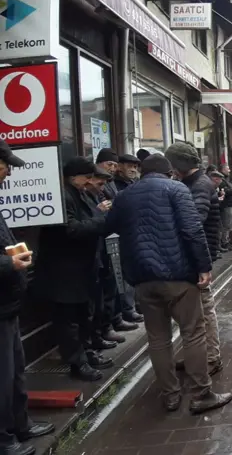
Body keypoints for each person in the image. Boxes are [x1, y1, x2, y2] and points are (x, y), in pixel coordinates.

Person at [106, 154, 232, 415]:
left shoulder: (125, 195)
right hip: (177, 274)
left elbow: (109, 226)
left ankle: (170, 395)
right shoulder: (176, 189)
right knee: (193, 332)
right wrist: (203, 266)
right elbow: (192, 229)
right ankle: (201, 394)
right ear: (169, 171)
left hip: (142, 278)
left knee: (158, 339)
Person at [35, 157, 113, 381]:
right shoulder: (62, 196)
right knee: (68, 319)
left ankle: (87, 353)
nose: (90, 181)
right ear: (72, 177)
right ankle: (77, 362)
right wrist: (101, 219)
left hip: (81, 268)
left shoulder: (80, 193)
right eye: (86, 177)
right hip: (64, 270)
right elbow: (72, 230)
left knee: (83, 315)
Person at [0, 141, 55, 455]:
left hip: (8, 305)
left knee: (15, 372)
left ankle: (21, 425)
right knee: (2, 377)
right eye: (5, 164)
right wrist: (9, 263)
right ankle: (4, 439)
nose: (8, 172)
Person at [164, 143, 223, 376]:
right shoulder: (190, 183)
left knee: (204, 309)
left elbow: (196, 218)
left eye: (172, 164)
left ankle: (210, 358)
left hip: (200, 252)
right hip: (195, 252)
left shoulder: (199, 184)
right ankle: (198, 356)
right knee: (194, 311)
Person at [83, 168, 137, 348]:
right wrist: (99, 212)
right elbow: (80, 226)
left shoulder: (94, 195)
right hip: (93, 253)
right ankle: (99, 333)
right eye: (99, 183)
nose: (102, 187)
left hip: (105, 247)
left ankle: (107, 326)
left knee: (109, 288)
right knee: (98, 298)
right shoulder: (81, 197)